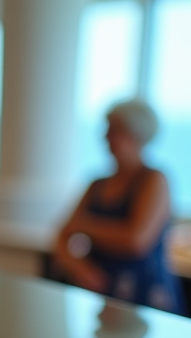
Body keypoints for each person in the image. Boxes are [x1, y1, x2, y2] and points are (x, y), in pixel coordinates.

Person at [53, 100, 184, 314]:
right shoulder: (97, 184)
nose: (106, 137)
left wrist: (85, 226)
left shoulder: (153, 180)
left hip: (144, 296)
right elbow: (61, 235)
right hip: (101, 292)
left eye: (114, 130)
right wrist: (81, 269)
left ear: (136, 135)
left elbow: (136, 241)